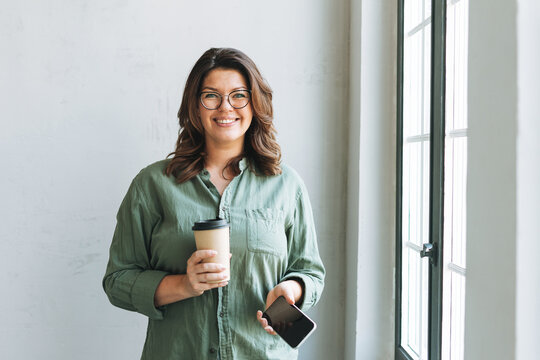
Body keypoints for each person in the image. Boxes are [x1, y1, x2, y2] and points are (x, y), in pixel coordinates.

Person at [102, 47, 325, 360]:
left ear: (254, 103)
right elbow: (117, 281)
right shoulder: (152, 185)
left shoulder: (286, 185)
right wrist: (184, 285)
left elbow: (310, 271)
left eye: (238, 95)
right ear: (195, 105)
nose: (225, 107)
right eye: (211, 96)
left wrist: (291, 290)